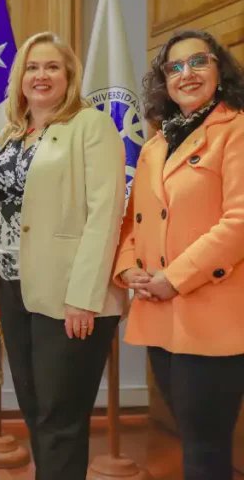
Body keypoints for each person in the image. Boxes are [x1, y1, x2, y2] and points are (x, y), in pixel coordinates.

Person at [0, 31, 127, 480]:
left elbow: (105, 215)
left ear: (69, 75)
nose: (41, 76)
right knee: (36, 409)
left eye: (52, 67)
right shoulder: (11, 133)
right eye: (33, 67)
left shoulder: (91, 125)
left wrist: (84, 296)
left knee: (60, 417)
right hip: (14, 289)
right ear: (20, 77)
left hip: (69, 294)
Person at [114, 29, 244, 480]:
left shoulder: (237, 129)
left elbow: (239, 222)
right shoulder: (155, 145)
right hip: (160, 314)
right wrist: (127, 269)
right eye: (175, 67)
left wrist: (175, 278)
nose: (186, 74)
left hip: (212, 314)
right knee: (189, 439)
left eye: (198, 62)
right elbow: (133, 223)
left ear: (220, 70)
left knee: (206, 451)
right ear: (164, 81)